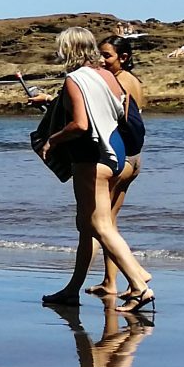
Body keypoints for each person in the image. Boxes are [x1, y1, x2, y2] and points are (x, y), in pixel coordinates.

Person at [33, 25, 154, 309]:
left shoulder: (74, 79)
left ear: (69, 50)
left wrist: (52, 140)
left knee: (98, 225)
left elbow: (81, 125)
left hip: (90, 156)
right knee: (95, 224)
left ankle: (138, 281)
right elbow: (119, 112)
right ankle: (79, 288)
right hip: (116, 154)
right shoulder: (109, 77)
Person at [87, 33, 148, 296]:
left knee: (97, 223)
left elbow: (114, 121)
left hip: (120, 158)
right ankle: (110, 282)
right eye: (99, 54)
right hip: (134, 159)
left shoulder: (120, 82)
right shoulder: (135, 81)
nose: (101, 60)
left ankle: (136, 277)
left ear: (123, 58)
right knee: (109, 222)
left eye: (107, 55)